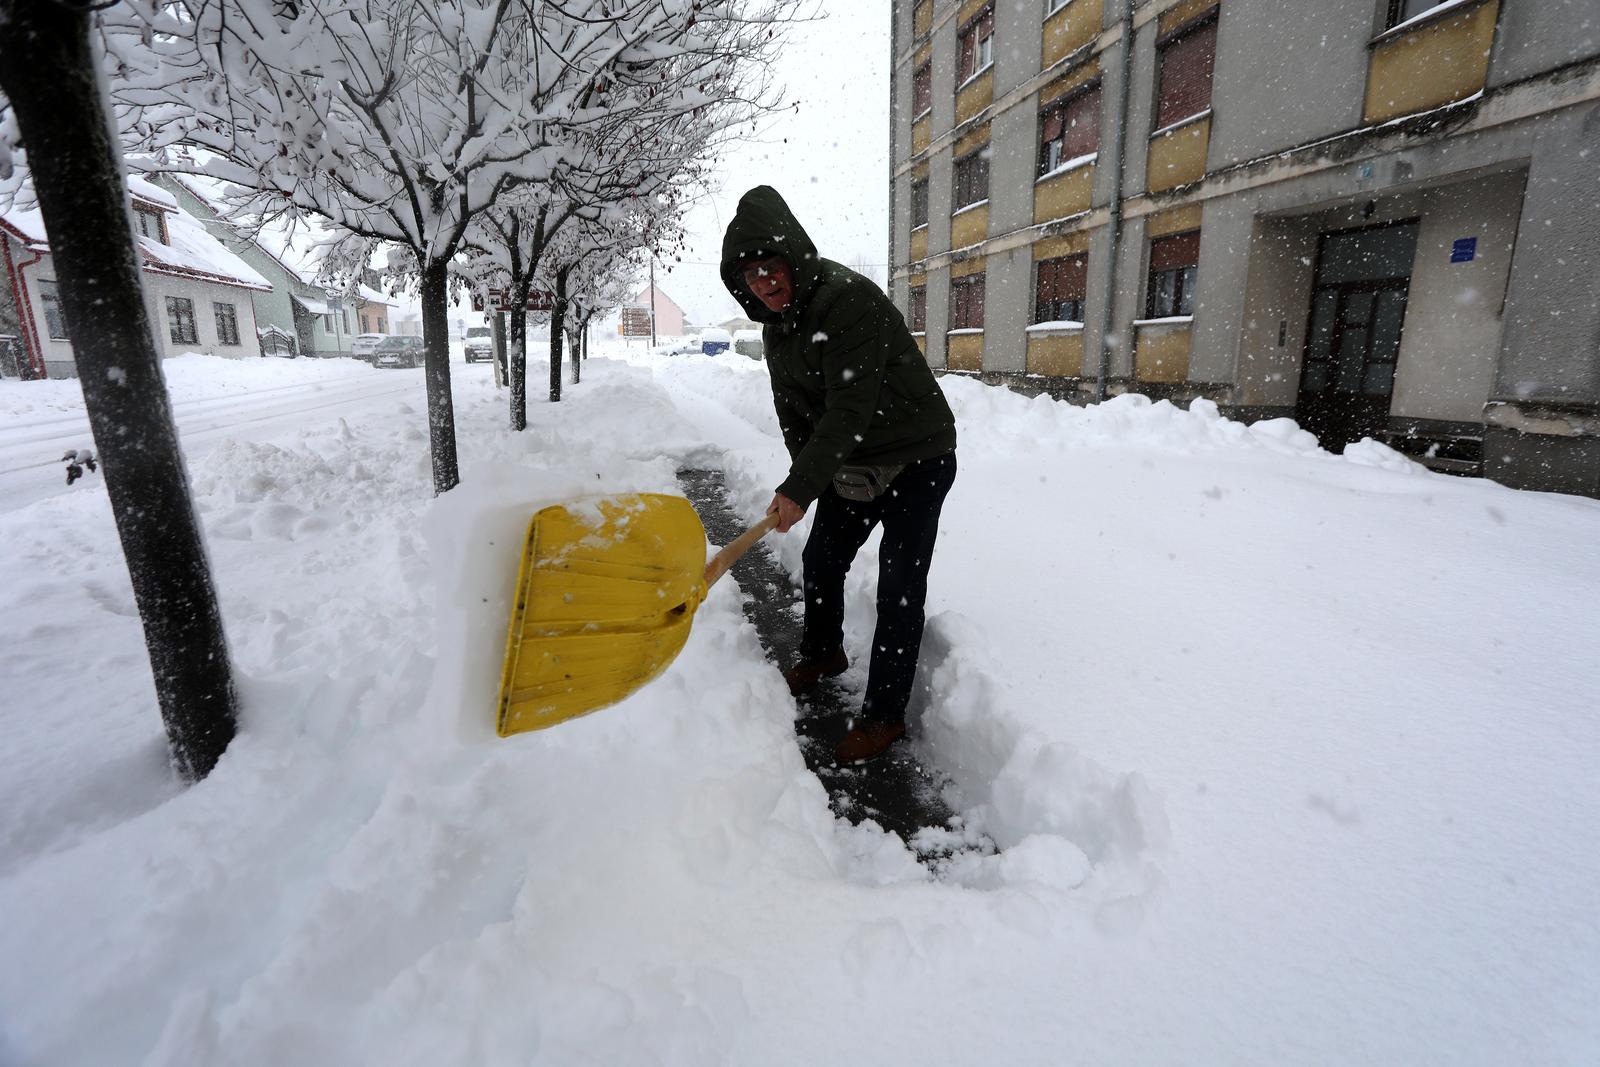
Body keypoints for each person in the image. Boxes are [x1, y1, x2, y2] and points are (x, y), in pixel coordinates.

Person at [720, 186, 957, 764]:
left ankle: (884, 717)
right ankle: (824, 653)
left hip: (916, 457)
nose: (764, 284)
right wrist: (806, 482)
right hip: (855, 462)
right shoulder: (777, 331)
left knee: (900, 591)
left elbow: (849, 409)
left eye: (771, 268)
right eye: (751, 277)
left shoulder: (849, 301)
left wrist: (801, 488)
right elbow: (796, 417)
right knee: (822, 558)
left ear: (793, 259)